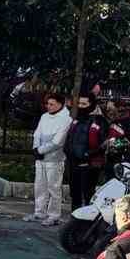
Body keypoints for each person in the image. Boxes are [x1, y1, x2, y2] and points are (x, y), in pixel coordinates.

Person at [30, 91, 70, 226]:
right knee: (40, 185)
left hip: (55, 159)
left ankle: (54, 215)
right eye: (47, 104)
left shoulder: (66, 119)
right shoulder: (44, 117)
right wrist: (36, 149)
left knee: (54, 187)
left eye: (52, 104)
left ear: (60, 104)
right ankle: (39, 211)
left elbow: (58, 141)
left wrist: (41, 150)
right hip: (40, 158)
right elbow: (37, 134)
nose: (49, 106)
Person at [65, 93, 106, 211]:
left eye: (84, 104)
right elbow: (69, 139)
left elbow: (103, 144)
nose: (81, 106)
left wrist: (88, 155)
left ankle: (88, 218)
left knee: (88, 193)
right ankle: (75, 217)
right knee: (74, 192)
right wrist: (68, 152)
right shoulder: (76, 120)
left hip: (90, 164)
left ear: (91, 105)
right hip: (73, 163)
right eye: (79, 104)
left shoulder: (99, 121)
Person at [105, 100, 130, 166]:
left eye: (120, 111)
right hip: (117, 159)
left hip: (123, 160)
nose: (110, 113)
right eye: (108, 111)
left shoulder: (129, 124)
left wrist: (112, 143)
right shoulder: (116, 122)